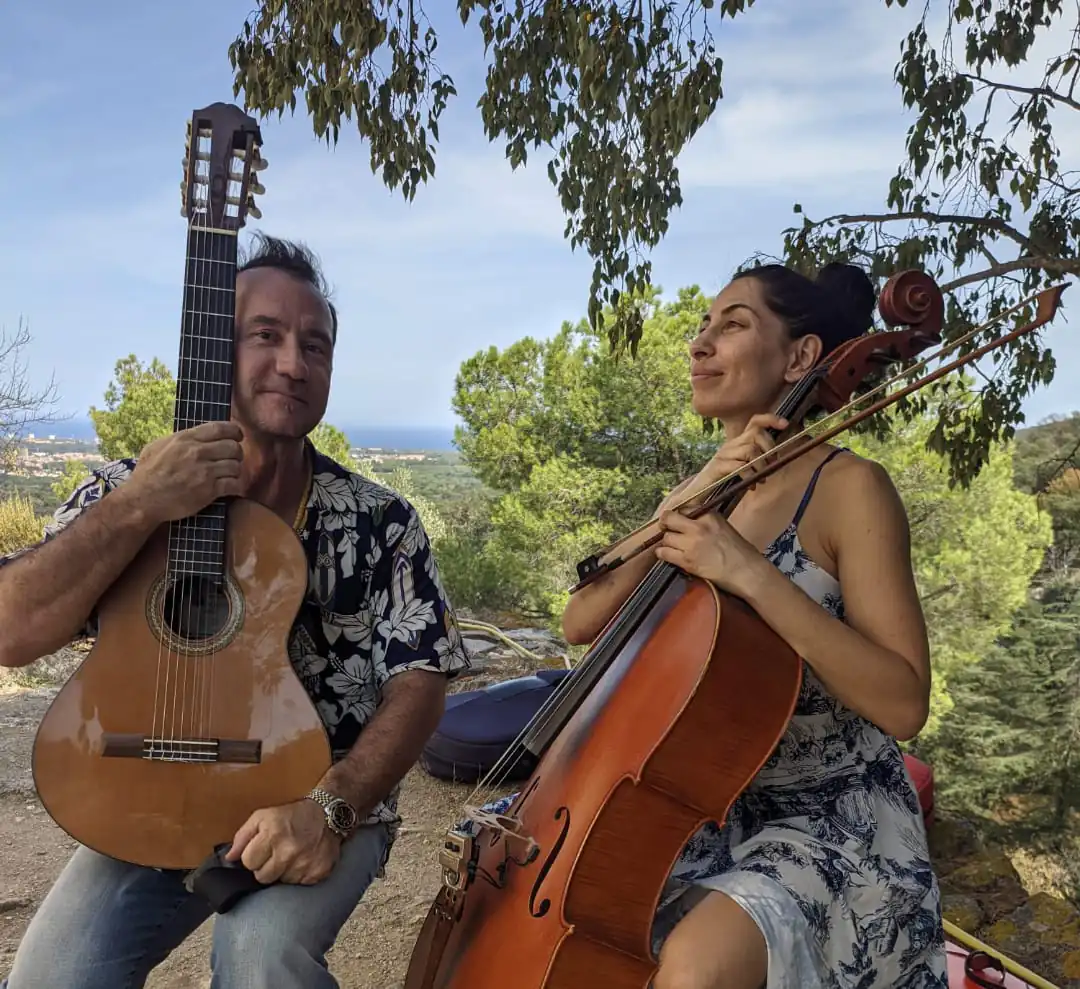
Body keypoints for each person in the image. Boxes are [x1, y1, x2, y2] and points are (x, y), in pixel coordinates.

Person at [0, 235, 470, 989]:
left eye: (314, 344)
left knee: (260, 957)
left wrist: (334, 807)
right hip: (145, 791)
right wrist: (140, 506)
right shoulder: (126, 494)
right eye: (266, 335)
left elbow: (420, 681)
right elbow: (10, 630)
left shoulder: (382, 522)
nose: (293, 361)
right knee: (49, 976)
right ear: (214, 350)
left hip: (316, 798)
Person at [475, 262, 947, 989]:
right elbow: (580, 620)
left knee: (692, 966)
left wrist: (750, 572)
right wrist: (685, 497)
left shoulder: (850, 489)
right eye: (703, 325)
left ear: (799, 358)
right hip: (705, 812)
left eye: (733, 324)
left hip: (832, 826)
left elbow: (904, 700)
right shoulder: (709, 492)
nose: (700, 343)